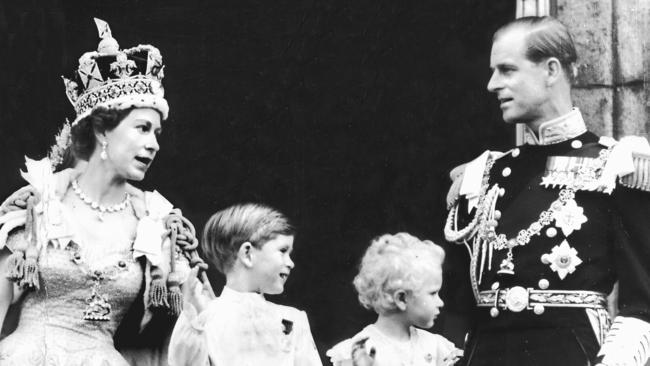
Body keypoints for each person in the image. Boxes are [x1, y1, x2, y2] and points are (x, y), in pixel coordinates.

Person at [443, 16, 650, 365]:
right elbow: (459, 309)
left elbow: (642, 306)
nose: (493, 84)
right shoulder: (483, 176)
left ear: (551, 70)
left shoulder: (617, 168)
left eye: (507, 70)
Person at [0, 18, 205, 365]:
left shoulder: (155, 222)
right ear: (102, 130)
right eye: (142, 128)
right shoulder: (40, 205)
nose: (153, 144)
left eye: (157, 133)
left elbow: (199, 325)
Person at [167, 203, 322, 366]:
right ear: (247, 254)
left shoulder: (292, 319)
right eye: (283, 251)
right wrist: (193, 321)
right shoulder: (206, 318)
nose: (290, 263)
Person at [326, 233, 462, 366]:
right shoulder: (360, 353)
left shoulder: (436, 348)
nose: (441, 302)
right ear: (401, 299)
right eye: (433, 293)